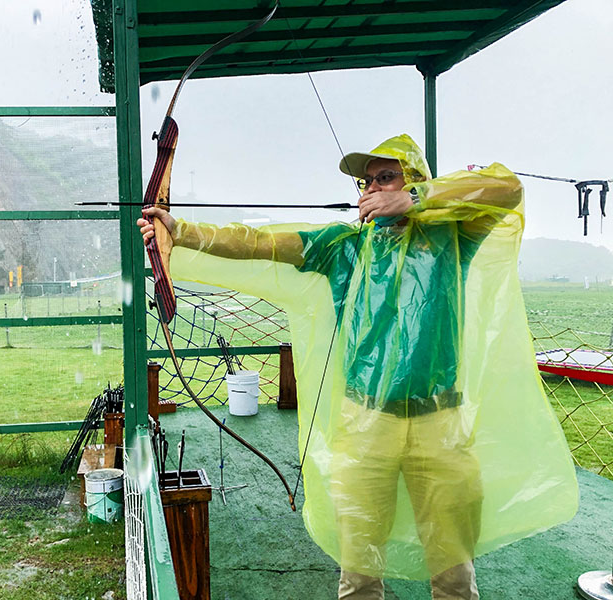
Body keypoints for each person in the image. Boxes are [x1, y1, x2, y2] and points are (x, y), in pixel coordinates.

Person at [138, 134, 578, 600]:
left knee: (454, 570)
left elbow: (507, 189)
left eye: (385, 177)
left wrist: (415, 200)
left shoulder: (453, 236)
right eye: (367, 182)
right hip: (366, 421)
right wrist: (181, 231)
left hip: (440, 423)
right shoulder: (344, 247)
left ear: (414, 179)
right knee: (359, 571)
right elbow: (258, 243)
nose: (372, 189)